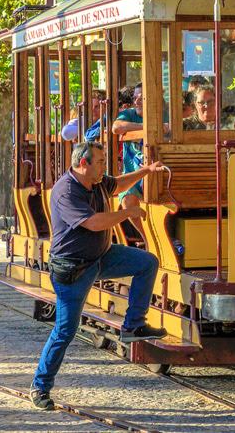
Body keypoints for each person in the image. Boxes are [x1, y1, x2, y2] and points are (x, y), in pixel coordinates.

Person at [30, 141, 165, 410]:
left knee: (147, 263)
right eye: (101, 161)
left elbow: (119, 183)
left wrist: (146, 171)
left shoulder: (99, 181)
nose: (106, 166)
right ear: (83, 164)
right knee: (65, 330)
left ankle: (133, 325)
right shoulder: (66, 191)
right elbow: (93, 223)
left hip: (102, 257)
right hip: (73, 268)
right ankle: (40, 386)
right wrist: (126, 213)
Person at [111, 83, 144, 214]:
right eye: (135, 98)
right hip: (133, 175)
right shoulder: (129, 113)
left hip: (158, 172)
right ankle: (144, 235)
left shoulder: (164, 113)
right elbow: (117, 127)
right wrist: (148, 126)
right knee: (128, 201)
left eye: (141, 98)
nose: (136, 102)